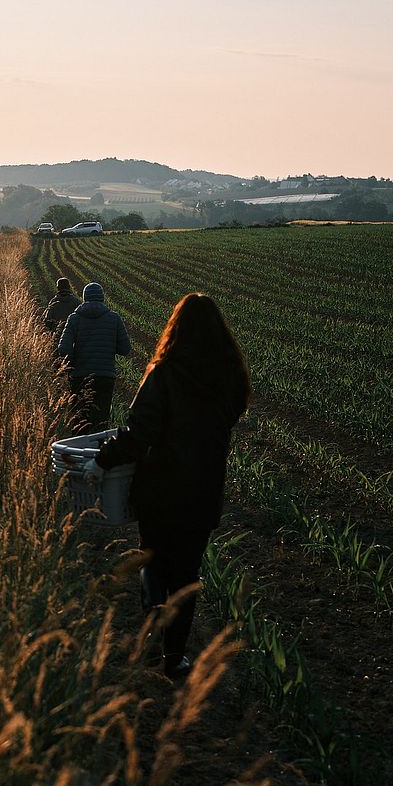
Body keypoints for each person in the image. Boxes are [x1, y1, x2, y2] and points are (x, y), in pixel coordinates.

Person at [95, 293, 251, 680]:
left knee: (153, 560)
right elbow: (229, 417)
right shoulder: (229, 375)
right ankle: (175, 656)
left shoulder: (163, 373)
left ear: (174, 328)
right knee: (187, 573)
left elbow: (138, 432)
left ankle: (151, 640)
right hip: (202, 490)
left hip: (160, 488)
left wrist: (103, 457)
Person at [55, 281, 131, 432]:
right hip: (105, 377)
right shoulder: (114, 318)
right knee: (101, 422)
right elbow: (125, 349)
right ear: (102, 298)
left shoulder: (74, 319)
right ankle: (99, 452)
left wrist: (72, 360)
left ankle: (80, 452)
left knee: (80, 422)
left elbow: (63, 349)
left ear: (84, 298)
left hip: (79, 377)